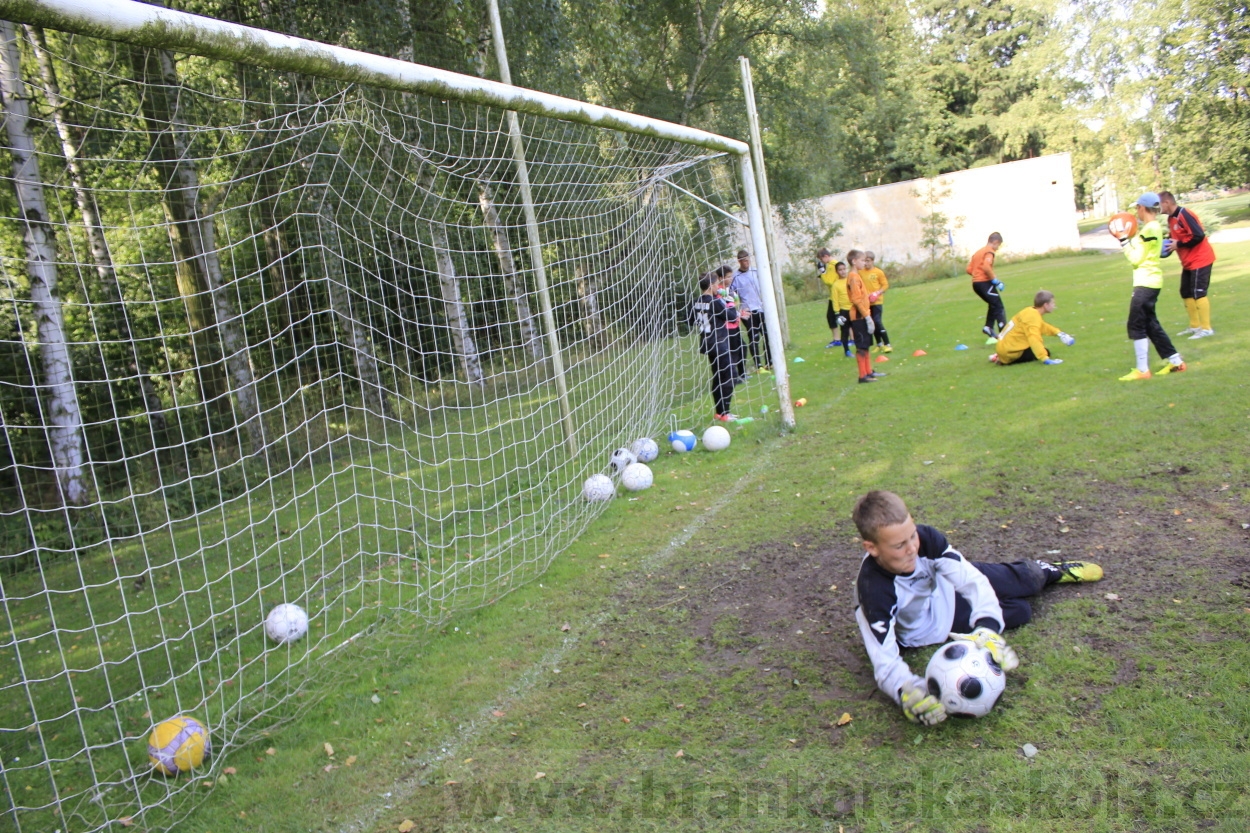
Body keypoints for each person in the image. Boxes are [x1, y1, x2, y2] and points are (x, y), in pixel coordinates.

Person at [851, 490, 1104, 725]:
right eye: (899, 546)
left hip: (946, 589)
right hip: (932, 627)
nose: (912, 549)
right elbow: (884, 662)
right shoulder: (872, 592)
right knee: (1021, 612)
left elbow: (972, 581)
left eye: (913, 535)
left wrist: (987, 629)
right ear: (872, 548)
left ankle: (1054, 571)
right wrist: (908, 692)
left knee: (1028, 579)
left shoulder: (927, 540)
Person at [1111, 193, 1185, 380]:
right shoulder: (1151, 228)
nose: (1136, 211)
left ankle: (1142, 370)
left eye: (1137, 208)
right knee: (1151, 324)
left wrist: (1123, 240)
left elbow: (1136, 259)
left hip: (1146, 283)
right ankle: (1176, 362)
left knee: (1136, 324)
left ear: (1142, 208)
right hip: (1150, 281)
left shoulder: (1150, 229)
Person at [1158, 191, 1216, 339]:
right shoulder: (1171, 219)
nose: (1158, 208)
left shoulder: (1184, 214)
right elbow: (1175, 238)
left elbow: (1198, 235)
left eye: (1159, 204)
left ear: (1167, 203)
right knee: (1185, 292)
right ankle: (1195, 326)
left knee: (1198, 293)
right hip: (1188, 262)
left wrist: (1179, 244)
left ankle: (1207, 329)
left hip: (1200, 259)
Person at [691, 269, 738, 421]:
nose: (719, 286)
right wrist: (730, 302)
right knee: (730, 376)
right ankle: (725, 412)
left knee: (718, 377)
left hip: (707, 343)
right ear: (711, 285)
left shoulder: (696, 301)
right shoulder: (714, 302)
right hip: (719, 343)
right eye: (717, 283)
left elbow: (690, 320)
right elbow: (731, 317)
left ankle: (719, 412)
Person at [989, 290, 1075, 366]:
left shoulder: (1029, 311)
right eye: (1052, 303)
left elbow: (1042, 326)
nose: (1054, 305)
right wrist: (1044, 358)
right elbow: (1034, 338)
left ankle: (999, 356)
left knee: (1030, 346)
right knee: (1046, 352)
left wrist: (1059, 333)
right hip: (1009, 352)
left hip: (1002, 346)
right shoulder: (1033, 317)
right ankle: (1002, 360)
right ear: (1046, 305)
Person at [846, 250, 884, 384]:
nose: (864, 263)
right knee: (861, 346)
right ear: (854, 261)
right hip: (859, 316)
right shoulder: (853, 277)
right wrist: (867, 317)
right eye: (862, 260)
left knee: (866, 345)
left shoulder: (857, 275)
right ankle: (862, 376)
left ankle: (868, 372)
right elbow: (856, 300)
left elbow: (861, 296)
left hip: (863, 314)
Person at [731, 249, 773, 371]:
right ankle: (758, 365)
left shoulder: (756, 272)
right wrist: (737, 305)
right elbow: (731, 293)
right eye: (744, 261)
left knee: (767, 335)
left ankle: (770, 361)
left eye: (748, 259)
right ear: (739, 261)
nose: (747, 262)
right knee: (754, 337)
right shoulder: (736, 277)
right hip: (748, 311)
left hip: (761, 309)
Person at [967, 233, 1006, 342]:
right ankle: (1004, 334)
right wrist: (995, 281)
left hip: (976, 284)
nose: (997, 248)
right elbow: (986, 267)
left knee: (993, 304)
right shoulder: (989, 251)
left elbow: (969, 269)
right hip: (984, 283)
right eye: (998, 246)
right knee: (998, 306)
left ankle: (988, 327)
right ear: (996, 242)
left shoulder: (978, 252)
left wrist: (977, 275)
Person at [817, 248, 852, 353]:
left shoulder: (832, 266)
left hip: (836, 296)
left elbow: (830, 281)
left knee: (836, 317)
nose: (822, 261)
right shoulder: (831, 265)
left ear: (825, 256)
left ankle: (840, 339)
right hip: (835, 295)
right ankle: (842, 339)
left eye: (821, 259)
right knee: (837, 317)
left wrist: (822, 273)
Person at [861, 251, 893, 353]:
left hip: (877, 302)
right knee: (871, 323)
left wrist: (877, 293)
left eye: (868, 261)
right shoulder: (860, 272)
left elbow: (885, 285)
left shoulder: (878, 272)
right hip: (866, 303)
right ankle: (879, 344)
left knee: (877, 321)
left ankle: (887, 344)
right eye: (864, 261)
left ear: (872, 261)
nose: (866, 263)